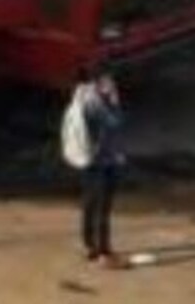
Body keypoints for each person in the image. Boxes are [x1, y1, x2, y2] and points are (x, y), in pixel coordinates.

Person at [62, 70, 127, 268]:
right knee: (102, 208)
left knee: (90, 204)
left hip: (91, 161)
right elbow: (112, 125)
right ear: (98, 83)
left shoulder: (84, 100)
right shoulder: (96, 105)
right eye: (108, 81)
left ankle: (90, 246)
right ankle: (103, 252)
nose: (112, 85)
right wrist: (114, 104)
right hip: (101, 162)